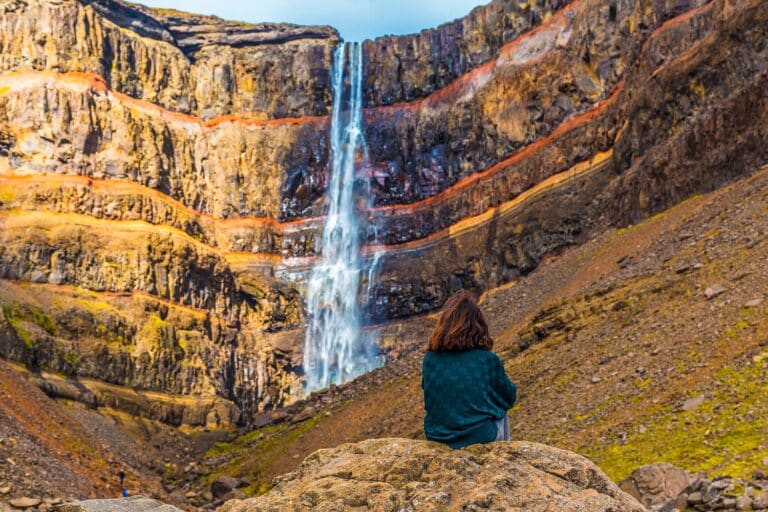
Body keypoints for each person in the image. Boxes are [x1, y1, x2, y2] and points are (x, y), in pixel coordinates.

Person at [422, 291, 517, 449]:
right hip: (479, 437)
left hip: (437, 437)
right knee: (502, 414)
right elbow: (509, 397)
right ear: (478, 325)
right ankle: (502, 459)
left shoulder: (430, 359)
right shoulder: (488, 359)